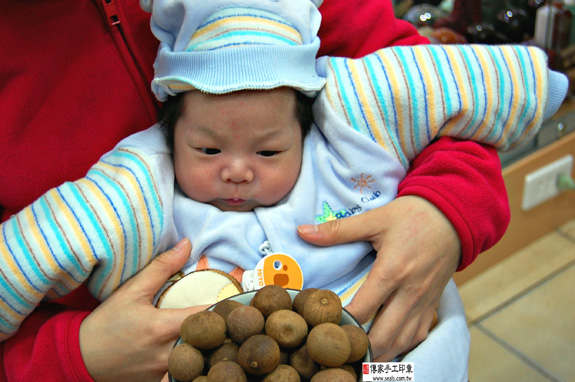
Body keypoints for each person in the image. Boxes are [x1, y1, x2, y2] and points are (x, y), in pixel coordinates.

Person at [0, 0, 568, 379]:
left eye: (269, 152)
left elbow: (439, 85)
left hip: (395, 353)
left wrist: (446, 207)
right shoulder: (140, 187)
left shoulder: (342, 125)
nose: (238, 173)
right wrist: (69, 358)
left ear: (307, 124)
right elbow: (41, 246)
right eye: (207, 151)